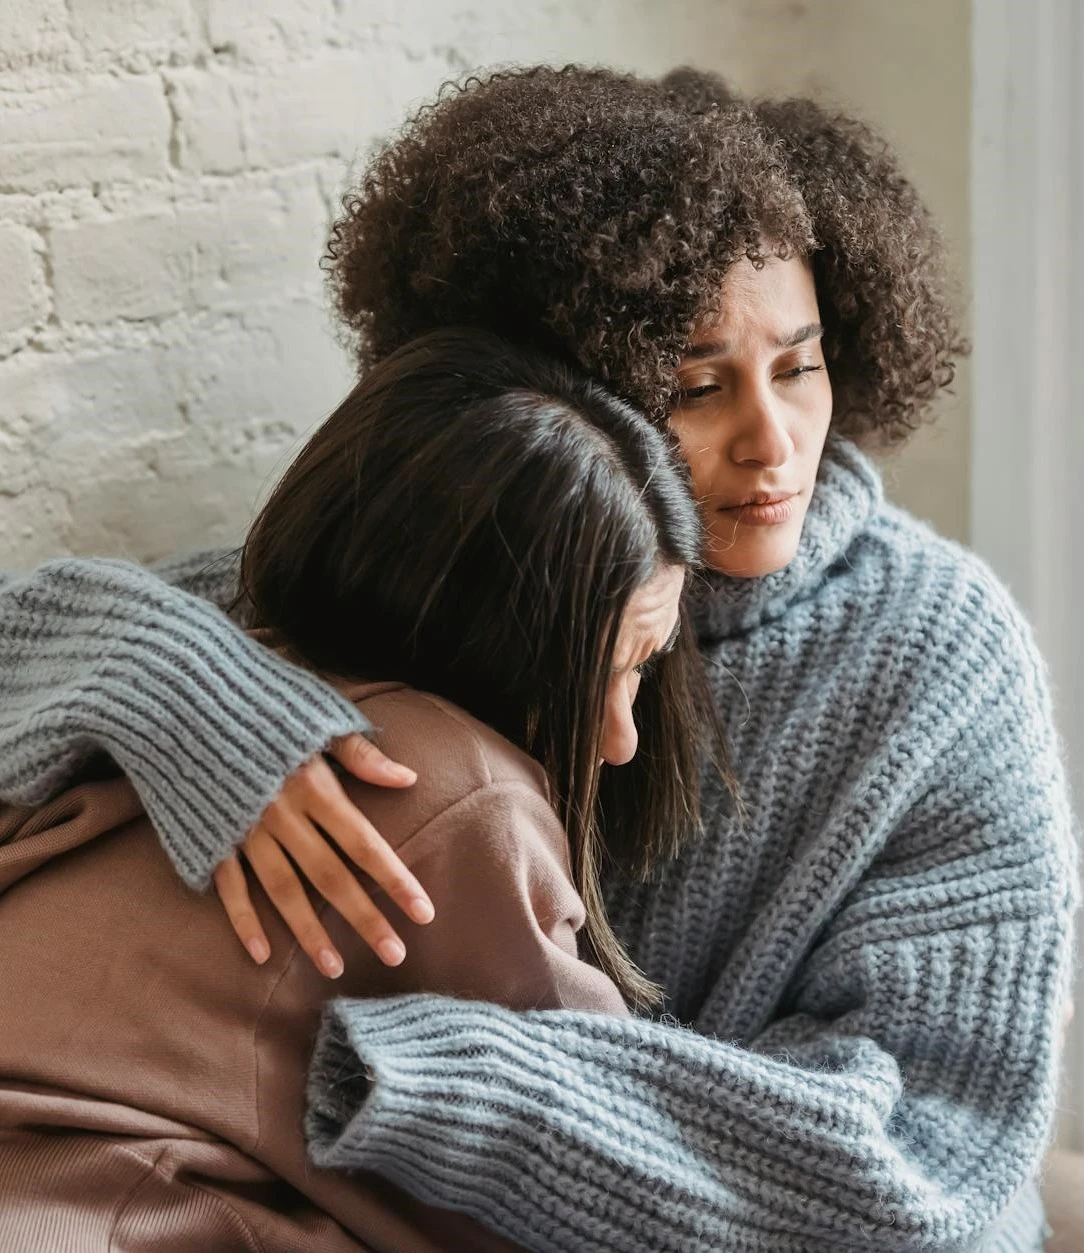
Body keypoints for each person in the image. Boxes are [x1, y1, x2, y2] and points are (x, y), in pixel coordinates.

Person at [0, 65, 1075, 1251]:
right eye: (696, 384)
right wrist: (177, 691)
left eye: (800, 365)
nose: (774, 442)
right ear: (561, 392)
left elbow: (931, 1157)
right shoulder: (489, 554)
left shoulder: (941, 656)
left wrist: (449, 1076)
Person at [0, 328, 716, 1251]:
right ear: (496, 639)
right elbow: (596, 1164)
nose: (621, 739)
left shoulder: (228, 644)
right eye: (611, 672)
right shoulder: (460, 788)